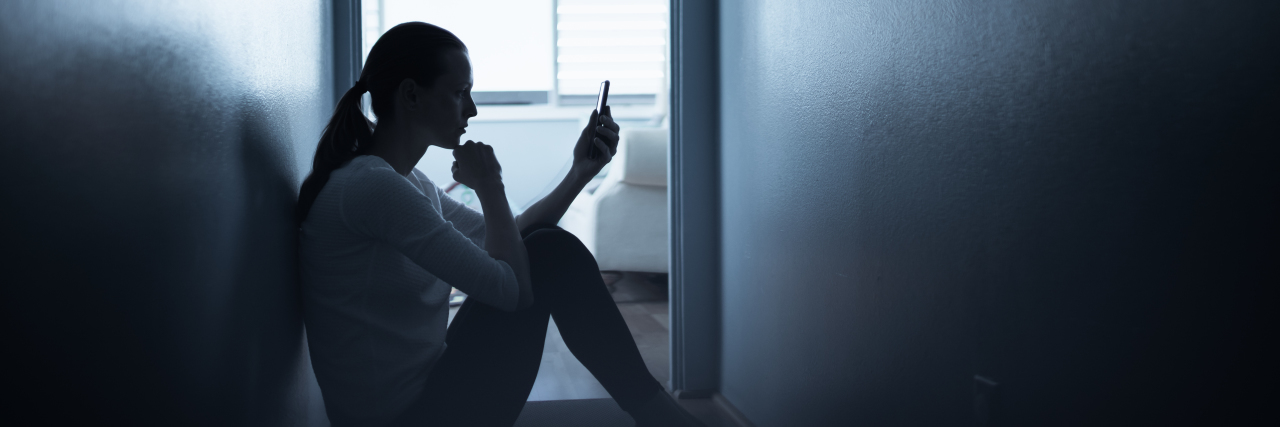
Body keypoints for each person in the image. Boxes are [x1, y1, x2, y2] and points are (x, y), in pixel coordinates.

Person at [296, 22, 705, 427]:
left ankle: (654, 412)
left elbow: (518, 234)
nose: (471, 109)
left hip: (426, 390)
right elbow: (513, 291)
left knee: (545, 245)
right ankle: (656, 413)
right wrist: (490, 185)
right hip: (404, 418)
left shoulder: (404, 181)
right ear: (410, 94)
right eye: (459, 93)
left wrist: (580, 172)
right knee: (548, 251)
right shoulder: (374, 187)